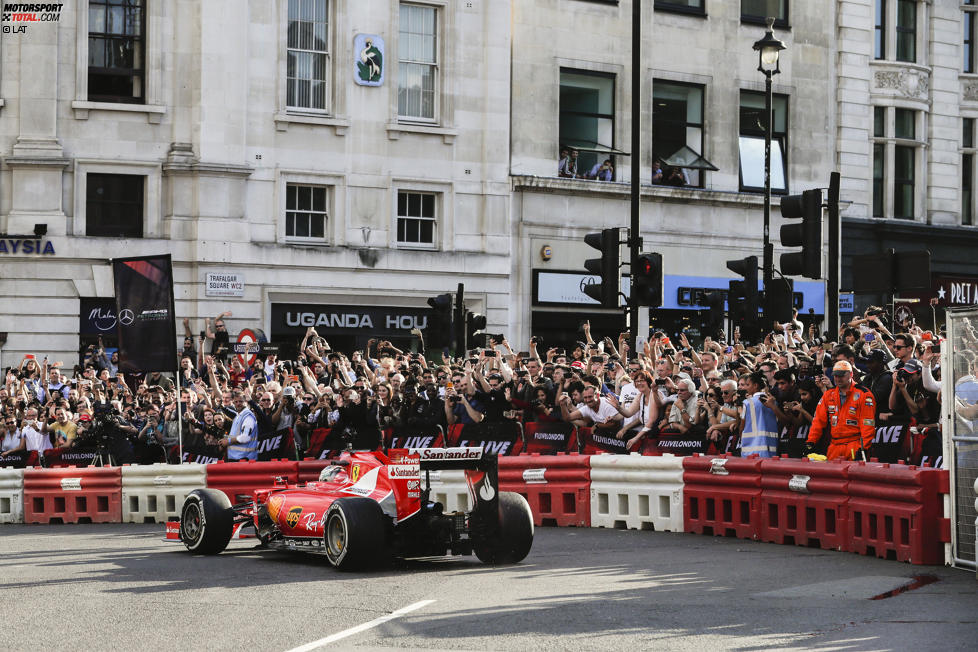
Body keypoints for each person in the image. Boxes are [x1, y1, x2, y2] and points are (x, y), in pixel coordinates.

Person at [805, 360, 876, 460]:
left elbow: (868, 424)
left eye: (841, 375)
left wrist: (863, 448)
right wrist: (811, 442)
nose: (838, 378)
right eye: (836, 375)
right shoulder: (828, 395)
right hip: (834, 446)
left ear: (851, 374)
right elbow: (818, 421)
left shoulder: (864, 394)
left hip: (854, 445)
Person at [740, 372, 779, 458]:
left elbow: (742, 426)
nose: (746, 387)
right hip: (771, 450)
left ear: (755, 385)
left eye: (748, 384)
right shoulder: (774, 402)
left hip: (750, 451)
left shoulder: (747, 402)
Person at [224, 390, 258, 461]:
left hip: (244, 459)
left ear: (246, 402)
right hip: (236, 458)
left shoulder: (248, 417)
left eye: (241, 401)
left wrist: (228, 441)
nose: (238, 403)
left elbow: (245, 438)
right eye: (236, 402)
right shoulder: (238, 416)